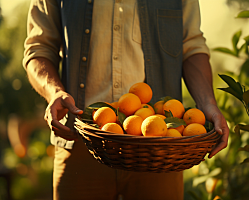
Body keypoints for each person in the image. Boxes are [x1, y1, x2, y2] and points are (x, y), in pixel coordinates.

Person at [23, 0, 229, 199]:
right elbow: (38, 47)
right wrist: (54, 92)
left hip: (161, 145)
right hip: (80, 140)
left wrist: (208, 103)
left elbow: (191, 46)